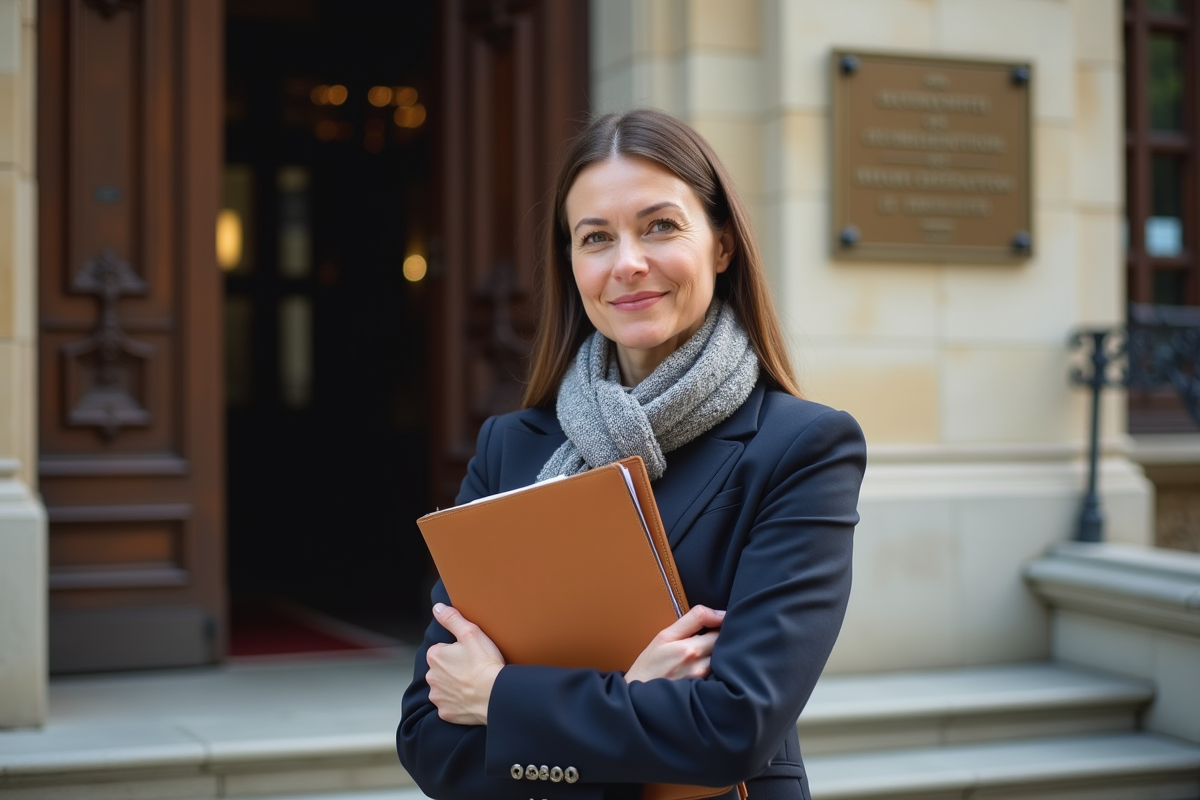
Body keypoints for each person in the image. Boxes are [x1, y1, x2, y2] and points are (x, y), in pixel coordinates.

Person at [397, 108, 866, 800]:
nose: (627, 264)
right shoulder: (510, 448)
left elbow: (731, 730)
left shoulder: (802, 449)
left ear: (722, 245)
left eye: (660, 226)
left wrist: (498, 697)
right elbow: (428, 740)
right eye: (596, 238)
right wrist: (633, 696)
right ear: (572, 264)